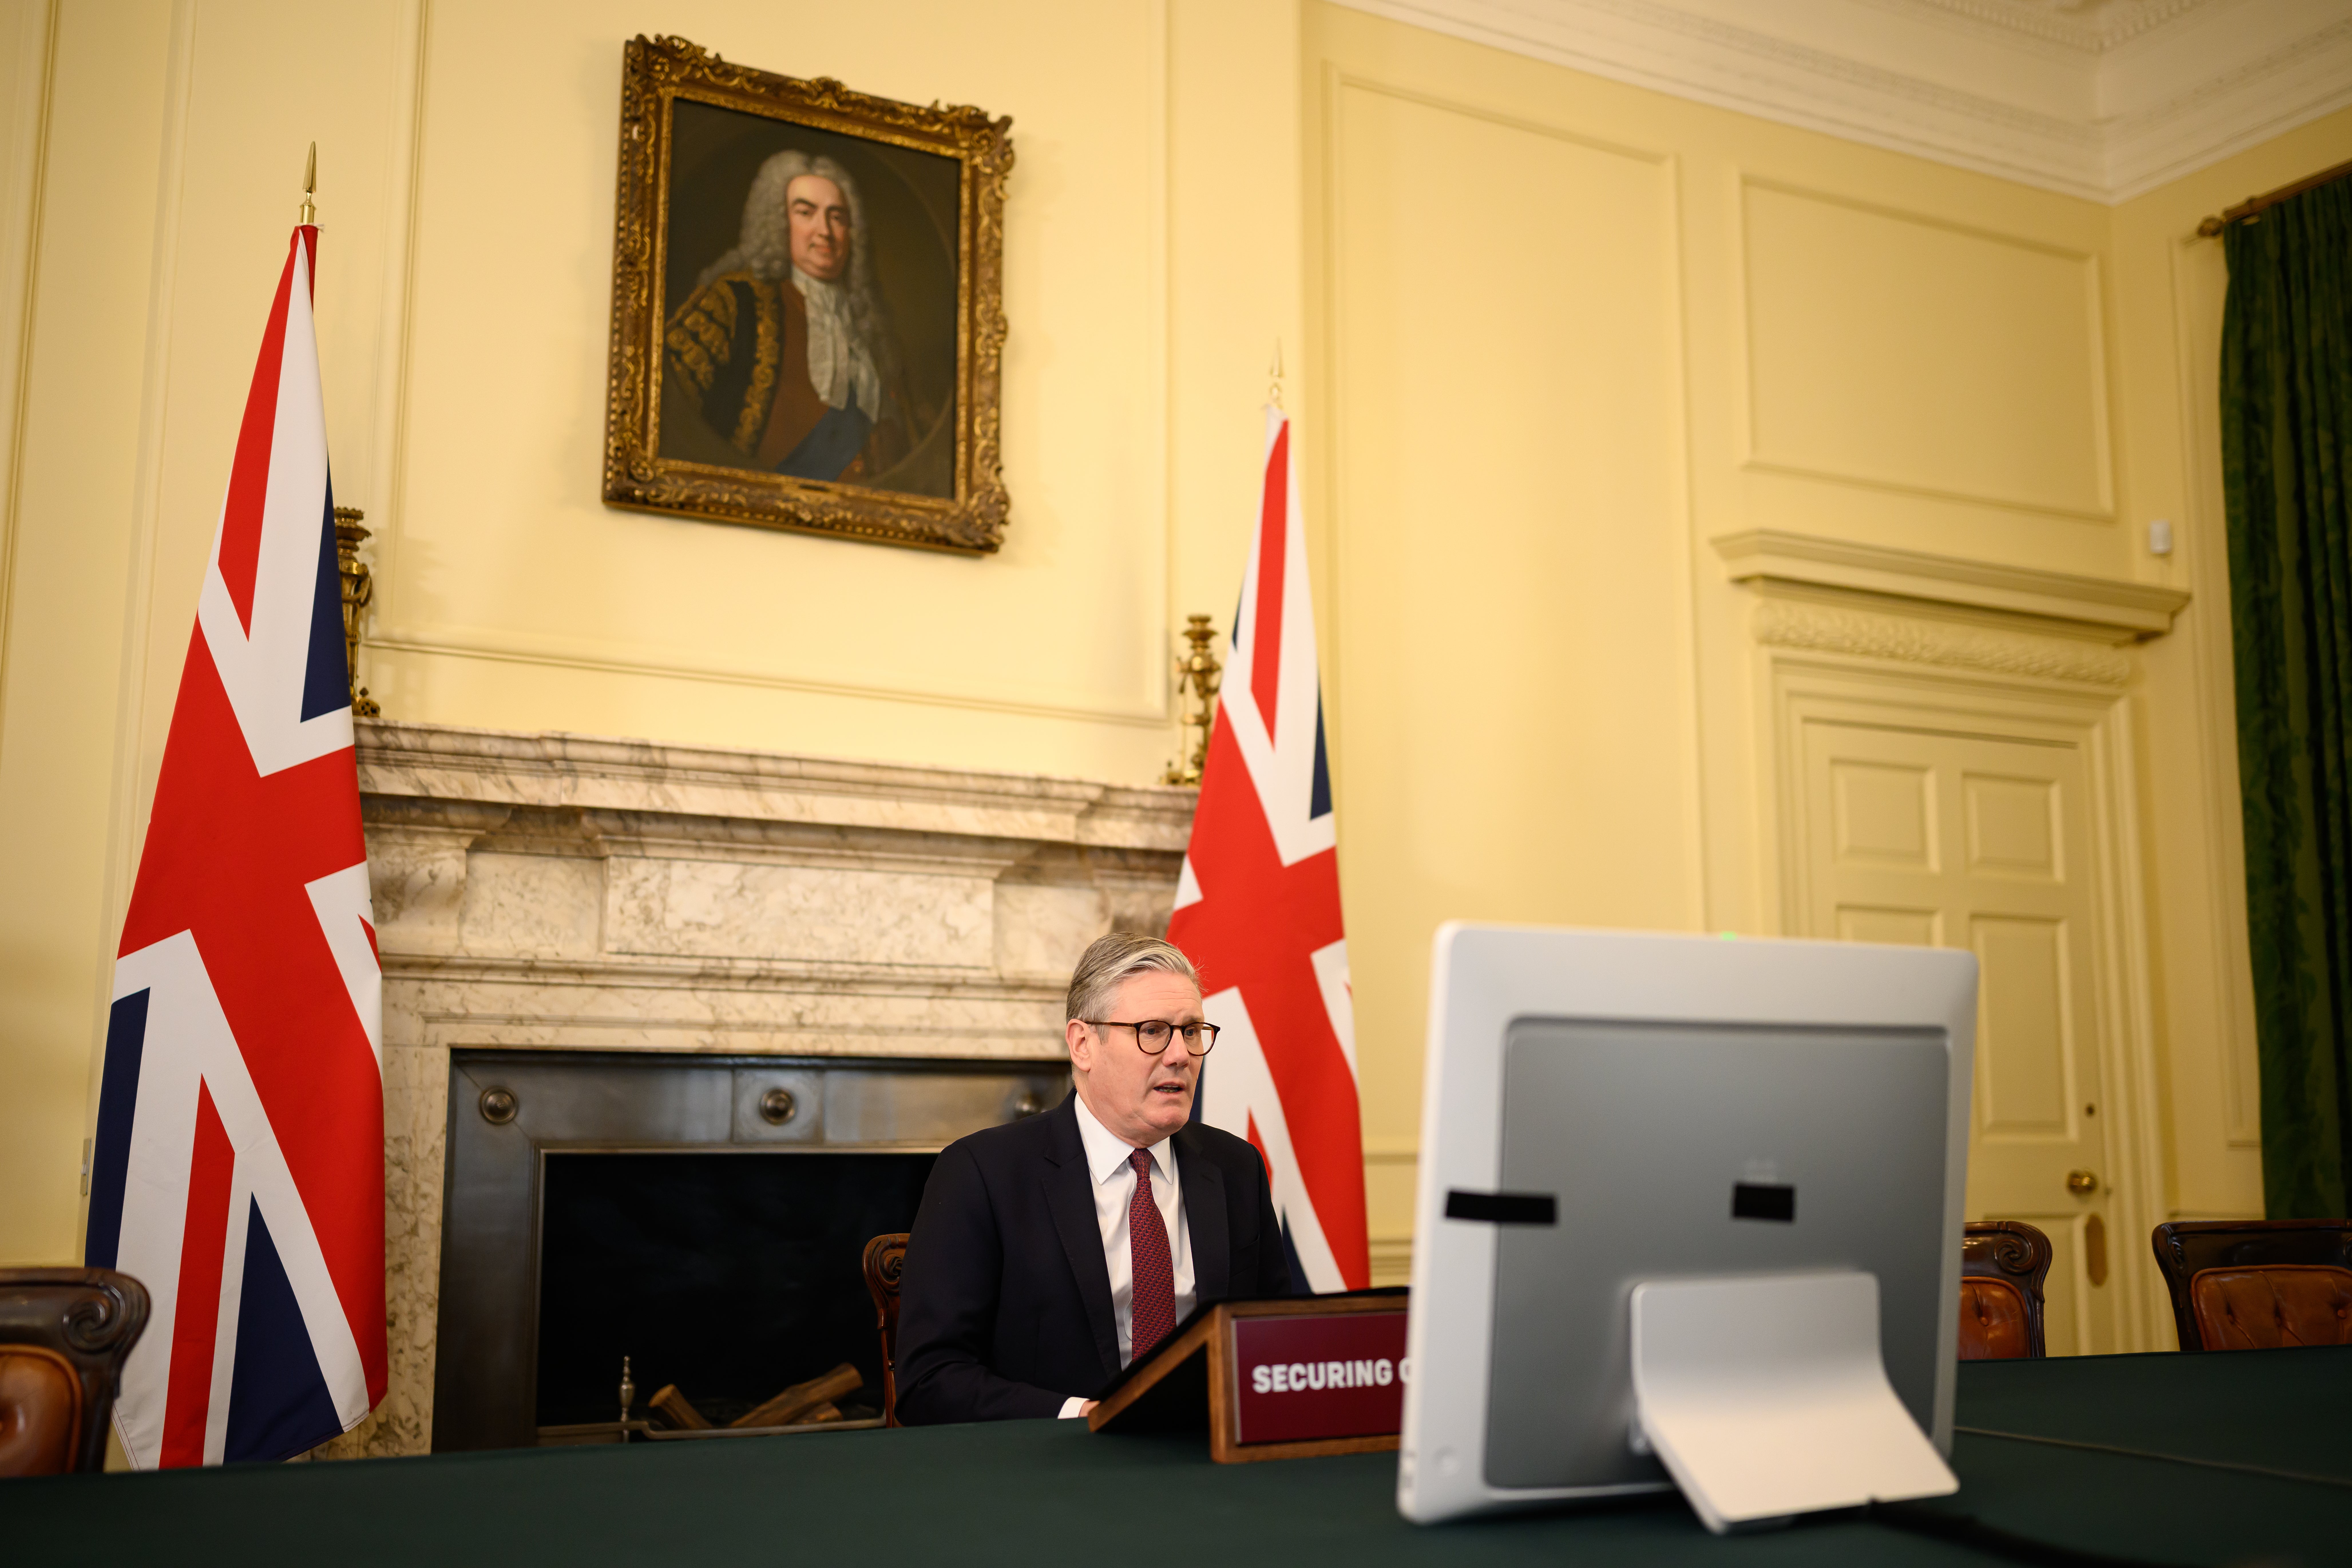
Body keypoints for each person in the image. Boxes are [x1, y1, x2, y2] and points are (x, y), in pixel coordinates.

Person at [894, 933, 1293, 1423]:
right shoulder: (982, 1174)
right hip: (1049, 1472)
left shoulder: (1236, 1169)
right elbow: (930, 1380)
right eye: (1152, 1030)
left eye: (1191, 1031)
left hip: (1207, 1464)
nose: (1180, 1055)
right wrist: (1088, 1415)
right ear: (1083, 1044)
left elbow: (1279, 1346)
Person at [661, 149, 923, 486]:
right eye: (806, 213)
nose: (824, 231)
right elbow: (669, 411)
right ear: (779, 221)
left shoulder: (873, 330)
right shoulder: (730, 302)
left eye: (837, 217)